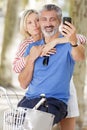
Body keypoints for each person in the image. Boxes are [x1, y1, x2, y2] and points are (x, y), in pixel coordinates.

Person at [13, 9, 86, 130]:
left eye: (37, 20)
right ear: (25, 27)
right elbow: (16, 67)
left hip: (63, 86)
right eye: (29, 22)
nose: (35, 25)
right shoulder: (27, 44)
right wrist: (32, 55)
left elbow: (81, 39)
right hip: (40, 90)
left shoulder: (51, 32)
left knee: (66, 124)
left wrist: (55, 41)